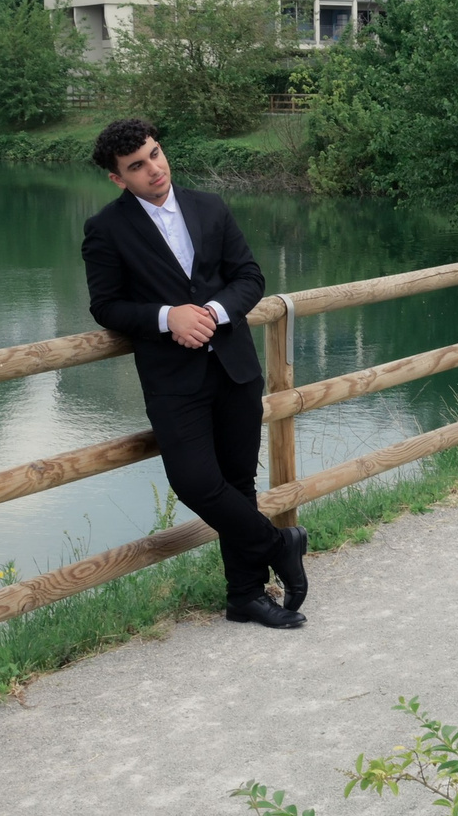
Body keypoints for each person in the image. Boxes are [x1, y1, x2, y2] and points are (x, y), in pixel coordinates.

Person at [82, 117, 310, 630]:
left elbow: (250, 277)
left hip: (234, 368)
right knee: (194, 483)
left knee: (237, 483)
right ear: (118, 178)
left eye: (155, 155)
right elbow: (106, 306)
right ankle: (280, 543)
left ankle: (246, 596)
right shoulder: (106, 229)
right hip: (172, 379)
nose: (153, 170)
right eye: (136, 166)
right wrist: (168, 318)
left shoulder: (210, 206)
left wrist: (210, 312)